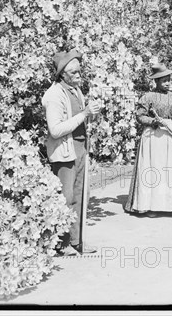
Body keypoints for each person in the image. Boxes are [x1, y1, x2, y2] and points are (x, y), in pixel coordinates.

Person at [42, 49, 102, 255]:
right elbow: (56, 130)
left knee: (79, 196)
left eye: (79, 71)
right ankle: (61, 243)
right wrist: (85, 113)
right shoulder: (53, 95)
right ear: (62, 75)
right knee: (65, 198)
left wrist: (92, 114)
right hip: (63, 152)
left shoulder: (76, 91)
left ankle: (77, 241)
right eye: (74, 73)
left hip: (79, 149)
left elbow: (82, 120)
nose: (79, 75)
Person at [124, 63, 172, 217]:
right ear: (156, 81)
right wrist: (153, 121)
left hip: (169, 137)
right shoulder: (148, 97)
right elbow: (140, 116)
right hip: (152, 137)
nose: (167, 83)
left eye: (169, 79)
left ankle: (169, 205)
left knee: (167, 169)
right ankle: (150, 206)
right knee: (152, 169)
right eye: (164, 80)